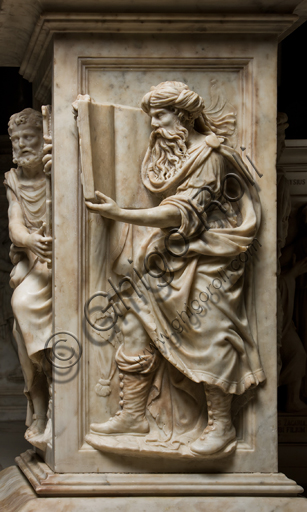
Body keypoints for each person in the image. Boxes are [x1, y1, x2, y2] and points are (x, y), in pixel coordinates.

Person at [85, 81, 265, 456]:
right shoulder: (166, 152)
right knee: (136, 322)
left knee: (210, 334)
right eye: (150, 116)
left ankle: (222, 425)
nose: (153, 124)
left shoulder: (210, 156)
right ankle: (133, 414)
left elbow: (182, 213)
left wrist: (121, 213)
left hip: (210, 257)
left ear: (182, 116)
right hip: (169, 257)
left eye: (161, 115)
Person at [4, 108, 52, 441]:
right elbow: (15, 225)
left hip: (68, 259)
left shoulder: (56, 172)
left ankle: (63, 411)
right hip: (36, 260)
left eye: (29, 138)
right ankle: (42, 405)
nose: (21, 145)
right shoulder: (14, 181)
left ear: (43, 139)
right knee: (21, 307)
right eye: (16, 139)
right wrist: (30, 240)